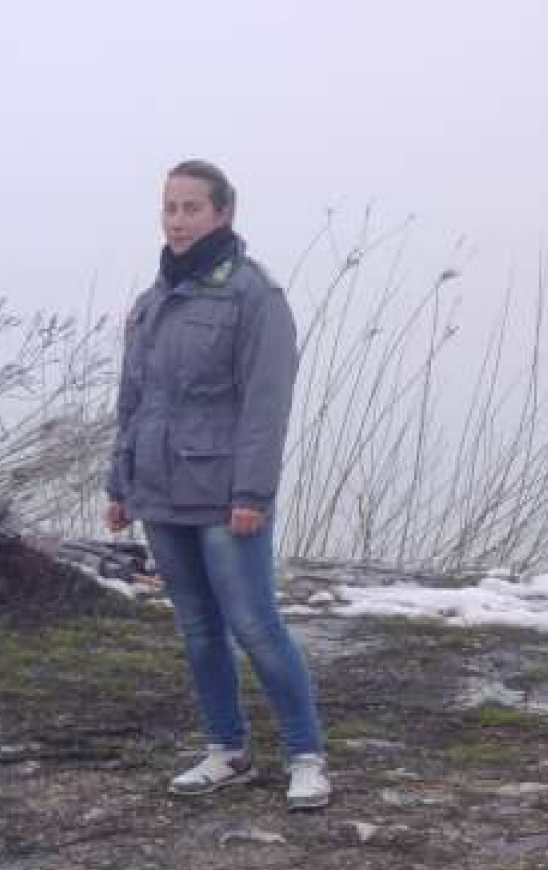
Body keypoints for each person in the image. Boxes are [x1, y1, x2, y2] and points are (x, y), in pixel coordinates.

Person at [106, 159, 330, 810]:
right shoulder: (151, 304)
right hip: (158, 491)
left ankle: (306, 755)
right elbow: (134, 402)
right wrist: (119, 485)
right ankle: (225, 749)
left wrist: (251, 495)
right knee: (198, 629)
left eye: (191, 208)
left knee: (255, 626)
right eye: (170, 208)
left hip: (223, 494)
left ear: (223, 213)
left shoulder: (255, 297)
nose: (178, 221)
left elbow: (266, 406)